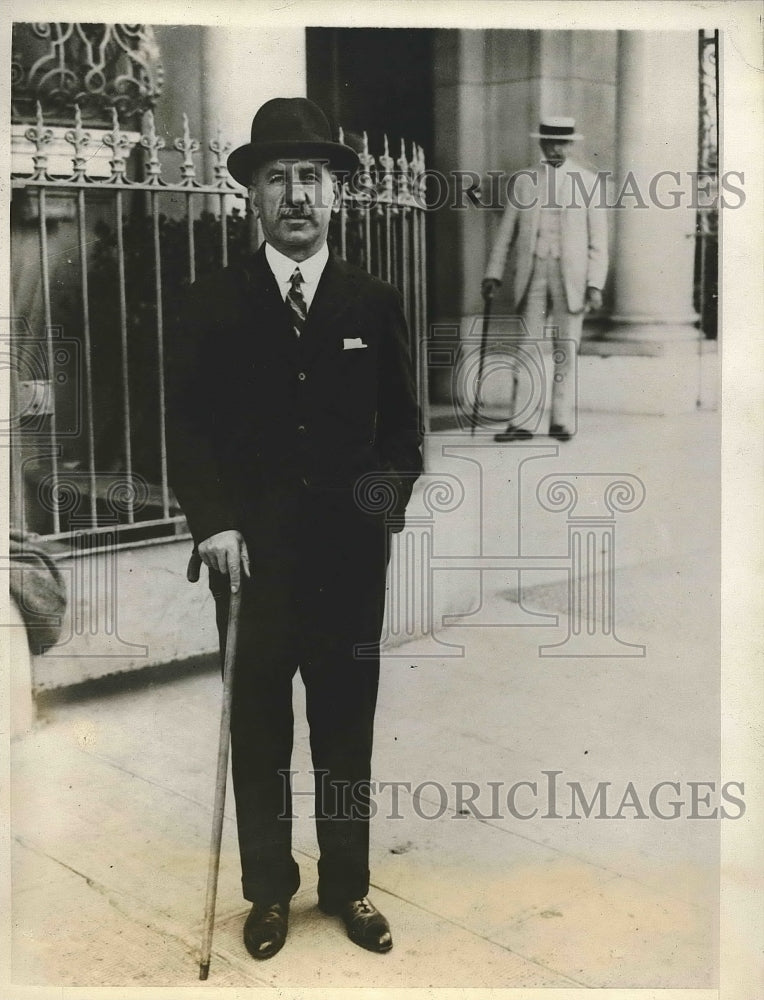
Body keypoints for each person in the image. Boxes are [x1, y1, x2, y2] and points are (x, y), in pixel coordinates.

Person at [167, 97, 422, 960]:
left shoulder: (372, 299)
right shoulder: (213, 303)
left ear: (336, 194)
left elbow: (402, 433)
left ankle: (347, 889)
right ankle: (269, 894)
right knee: (263, 732)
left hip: (349, 565)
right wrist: (214, 526)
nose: (297, 195)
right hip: (253, 565)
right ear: (253, 198)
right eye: (277, 179)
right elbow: (189, 431)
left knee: (345, 728)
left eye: (310, 177)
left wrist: (380, 510)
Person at [482, 116, 608, 442]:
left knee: (566, 347)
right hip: (533, 271)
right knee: (527, 347)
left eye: (562, 143)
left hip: (572, 277)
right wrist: (493, 273)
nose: (555, 149)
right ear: (540, 144)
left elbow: (598, 241)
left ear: (571, 144)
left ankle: (561, 421)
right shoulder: (525, 181)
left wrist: (595, 284)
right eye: (549, 143)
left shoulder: (588, 182)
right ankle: (520, 422)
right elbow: (507, 232)